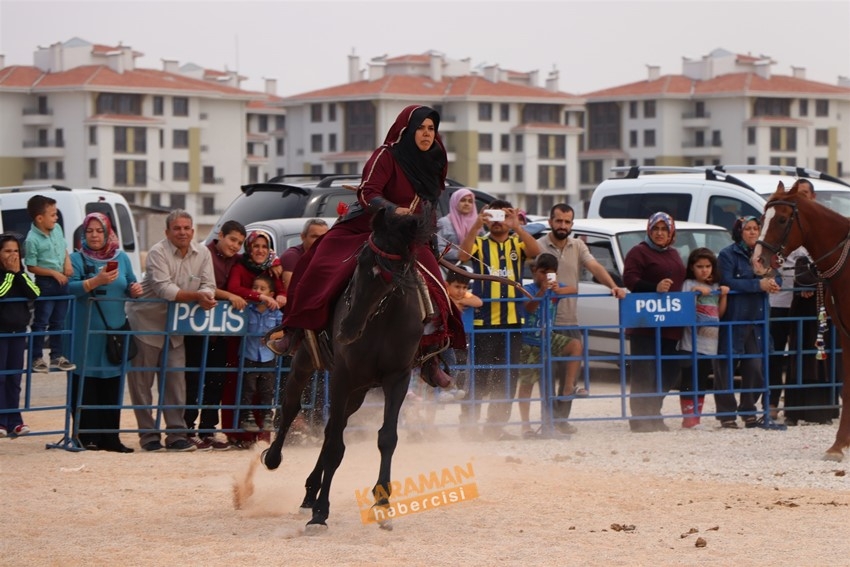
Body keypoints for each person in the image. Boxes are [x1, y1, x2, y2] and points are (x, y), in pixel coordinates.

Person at [268, 105, 466, 390]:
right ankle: (295, 331)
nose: (426, 134)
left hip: (410, 235)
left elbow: (430, 202)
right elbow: (368, 192)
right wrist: (390, 209)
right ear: (407, 129)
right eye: (421, 128)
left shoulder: (436, 158)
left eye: (431, 128)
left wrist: (427, 236)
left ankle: (429, 358)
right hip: (369, 225)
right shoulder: (386, 155)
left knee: (437, 290)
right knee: (321, 263)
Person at [126, 210, 217, 452]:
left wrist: (205, 295)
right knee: (141, 384)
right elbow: (164, 289)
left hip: (176, 327)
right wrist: (198, 297)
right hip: (145, 323)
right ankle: (148, 436)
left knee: (176, 382)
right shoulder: (157, 252)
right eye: (177, 228)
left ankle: (176, 434)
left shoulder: (203, 253)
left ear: (193, 231)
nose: (183, 232)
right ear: (167, 232)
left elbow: (209, 284)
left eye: (187, 228)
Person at [537, 203, 626, 433]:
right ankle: (547, 422)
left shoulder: (578, 245)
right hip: (545, 321)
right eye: (559, 221)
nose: (563, 225)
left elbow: (594, 266)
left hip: (570, 319)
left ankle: (561, 420)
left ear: (572, 224)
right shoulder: (538, 246)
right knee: (546, 374)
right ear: (550, 222)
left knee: (570, 374)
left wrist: (614, 286)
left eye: (567, 222)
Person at [458, 199, 541, 440]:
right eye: (493, 216)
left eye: (503, 216)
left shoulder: (517, 242)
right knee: (479, 376)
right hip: (484, 323)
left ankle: (495, 427)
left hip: (512, 322)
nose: (498, 222)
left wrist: (518, 226)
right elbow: (463, 256)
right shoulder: (481, 243)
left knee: (507, 378)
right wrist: (476, 225)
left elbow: (536, 253)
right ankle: (469, 425)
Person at [67, 213, 142, 452]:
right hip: (85, 333)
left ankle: (111, 438)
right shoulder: (75, 259)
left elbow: (131, 282)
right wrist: (95, 281)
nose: (95, 235)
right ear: (83, 234)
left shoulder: (122, 258)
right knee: (85, 383)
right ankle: (87, 437)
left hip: (114, 333)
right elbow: (69, 287)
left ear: (108, 232)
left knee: (111, 384)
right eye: (90, 231)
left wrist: (135, 289)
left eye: (100, 231)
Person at [184, 220, 247, 451]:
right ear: (220, 235)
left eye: (239, 243)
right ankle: (187, 429)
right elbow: (203, 284)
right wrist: (229, 296)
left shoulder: (238, 260)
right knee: (192, 379)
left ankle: (208, 430)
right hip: (197, 327)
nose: (234, 246)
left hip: (222, 331)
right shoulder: (203, 253)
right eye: (232, 240)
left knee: (216, 380)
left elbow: (261, 262)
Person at [622, 212, 686, 432]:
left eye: (664, 229)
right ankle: (640, 418)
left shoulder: (674, 253)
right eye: (656, 229)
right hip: (645, 322)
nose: (660, 233)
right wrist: (654, 288)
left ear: (671, 233)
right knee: (644, 371)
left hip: (670, 322)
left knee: (669, 371)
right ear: (649, 230)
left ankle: (653, 411)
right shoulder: (638, 252)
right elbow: (629, 279)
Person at [782, 180, 839, 425]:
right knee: (800, 353)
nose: (801, 199)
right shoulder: (790, 227)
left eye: (805, 194)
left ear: (813, 197)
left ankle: (824, 410)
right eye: (797, 195)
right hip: (801, 302)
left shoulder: (825, 227)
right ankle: (796, 411)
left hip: (825, 301)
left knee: (826, 353)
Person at [715, 216, 780, 429]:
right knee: (726, 366)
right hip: (733, 318)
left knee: (756, 366)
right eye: (748, 229)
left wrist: (772, 283)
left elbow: (776, 276)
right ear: (739, 232)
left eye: (756, 228)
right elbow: (727, 280)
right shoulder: (727, 254)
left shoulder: (765, 253)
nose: (752, 232)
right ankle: (726, 414)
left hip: (757, 318)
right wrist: (757, 284)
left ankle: (748, 409)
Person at [224, 229, 286, 447]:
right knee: (243, 386)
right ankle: (238, 434)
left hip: (266, 348)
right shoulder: (241, 266)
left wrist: (280, 296)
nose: (259, 250)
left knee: (266, 389)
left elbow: (281, 293)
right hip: (245, 341)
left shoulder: (271, 269)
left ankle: (261, 436)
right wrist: (258, 296)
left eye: (264, 246)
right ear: (248, 248)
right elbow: (234, 288)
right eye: (255, 246)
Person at [517, 253, 586, 438]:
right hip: (529, 342)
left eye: (551, 273)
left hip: (548, 339)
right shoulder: (528, 288)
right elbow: (529, 308)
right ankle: (526, 426)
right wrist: (542, 292)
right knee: (526, 386)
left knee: (575, 346)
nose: (545, 277)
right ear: (534, 271)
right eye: (542, 272)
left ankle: (568, 387)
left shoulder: (556, 289)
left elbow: (573, 290)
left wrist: (558, 291)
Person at [676, 247, 728, 429]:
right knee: (689, 380)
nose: (704, 270)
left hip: (710, 344)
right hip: (691, 344)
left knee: (702, 381)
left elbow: (719, 314)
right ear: (692, 267)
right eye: (699, 266)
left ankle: (696, 417)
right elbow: (685, 311)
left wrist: (723, 296)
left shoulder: (714, 287)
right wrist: (695, 295)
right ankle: (688, 417)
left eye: (708, 266)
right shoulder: (688, 285)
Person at [24, 194, 76, 373]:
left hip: (62, 281)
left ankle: (56, 356)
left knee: (59, 321)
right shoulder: (32, 239)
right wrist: (53, 272)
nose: (56, 218)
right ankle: (36, 357)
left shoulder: (57, 229)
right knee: (41, 321)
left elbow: (63, 248)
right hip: (46, 282)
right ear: (40, 218)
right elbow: (31, 266)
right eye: (53, 215)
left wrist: (67, 263)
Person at [0, 232, 40, 438]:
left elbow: (34, 292)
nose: (12, 255)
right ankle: (1, 421)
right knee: (1, 378)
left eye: (16, 251)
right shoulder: (6, 274)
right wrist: (9, 274)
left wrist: (18, 274)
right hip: (1, 333)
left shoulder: (19, 272)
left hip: (18, 332)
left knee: (14, 378)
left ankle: (15, 420)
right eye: (7, 251)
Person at [238, 274, 282, 433]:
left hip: (268, 357)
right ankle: (246, 416)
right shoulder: (246, 309)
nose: (258, 291)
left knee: (267, 388)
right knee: (247, 387)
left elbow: (282, 330)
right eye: (255, 288)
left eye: (262, 289)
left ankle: (267, 415)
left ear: (271, 295)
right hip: (248, 355)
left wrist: (272, 336)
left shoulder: (275, 312)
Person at [280, 218, 329, 292]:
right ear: (303, 237)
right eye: (315, 237)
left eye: (323, 237)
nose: (320, 241)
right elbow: (291, 291)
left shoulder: (329, 257)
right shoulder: (292, 256)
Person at [436, 188, 479, 263]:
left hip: (474, 269)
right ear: (455, 202)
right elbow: (438, 248)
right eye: (463, 200)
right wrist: (460, 254)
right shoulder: (444, 222)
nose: (466, 204)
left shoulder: (477, 223)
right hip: (451, 268)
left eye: (470, 201)